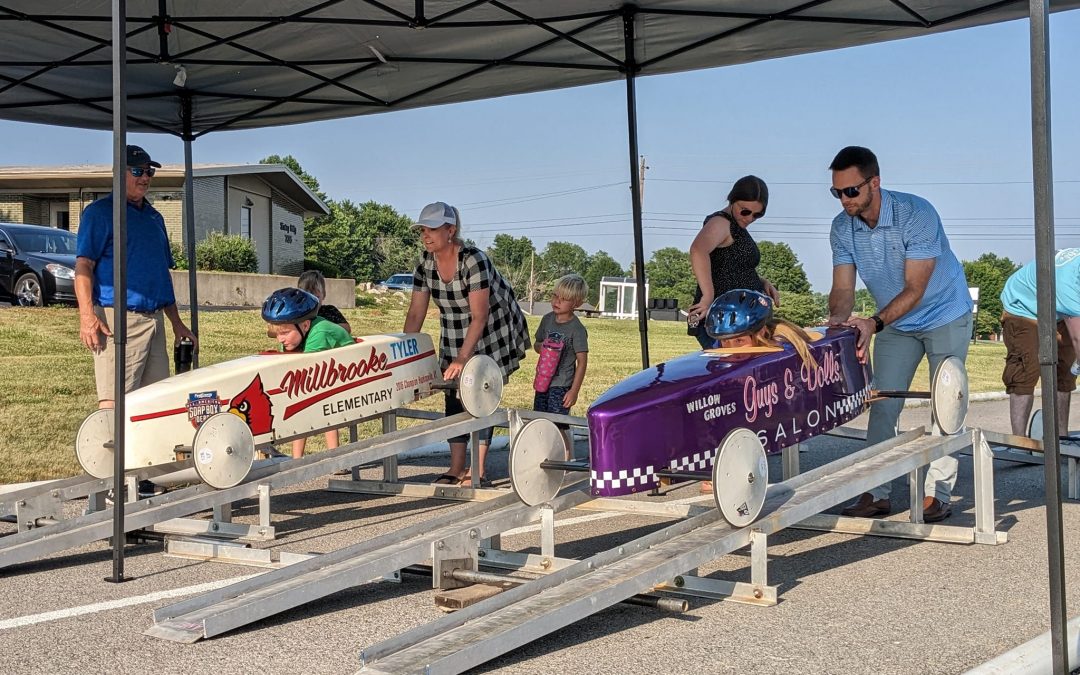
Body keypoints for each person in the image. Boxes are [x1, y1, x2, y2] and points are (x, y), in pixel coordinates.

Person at [826, 146, 973, 523]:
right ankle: (875, 492)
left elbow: (915, 289)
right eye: (837, 192)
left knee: (946, 402)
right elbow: (843, 289)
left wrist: (873, 323)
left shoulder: (917, 213)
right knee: (883, 403)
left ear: (874, 183)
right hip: (898, 324)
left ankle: (937, 493)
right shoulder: (842, 228)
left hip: (944, 314)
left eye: (851, 191)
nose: (844, 200)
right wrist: (835, 326)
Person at [403, 201, 530, 487]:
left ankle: (478, 469)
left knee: (478, 395)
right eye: (423, 229)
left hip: (491, 329)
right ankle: (456, 467)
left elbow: (480, 314)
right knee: (453, 396)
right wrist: (405, 354)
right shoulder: (425, 264)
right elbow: (415, 312)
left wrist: (463, 359)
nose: (426, 235)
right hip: (453, 329)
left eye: (433, 229)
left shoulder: (473, 260)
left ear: (451, 230)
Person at [75, 145, 198, 412]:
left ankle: (145, 456)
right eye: (137, 171)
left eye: (149, 171)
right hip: (119, 320)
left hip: (155, 321)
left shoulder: (155, 218)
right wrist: (87, 316)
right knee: (115, 403)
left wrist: (177, 323)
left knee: (156, 402)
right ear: (119, 173)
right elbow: (84, 266)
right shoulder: (100, 213)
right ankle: (111, 454)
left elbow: (160, 275)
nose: (145, 177)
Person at [700, 288, 818, 493]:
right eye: (725, 341)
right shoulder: (723, 355)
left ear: (761, 334)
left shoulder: (779, 352)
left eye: (739, 341)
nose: (730, 348)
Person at [685, 175, 780, 349]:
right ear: (732, 200)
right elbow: (698, 251)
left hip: (743, 322)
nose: (750, 218)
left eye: (757, 214)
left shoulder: (737, 226)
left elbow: (731, 265)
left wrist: (761, 283)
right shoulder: (721, 222)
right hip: (725, 323)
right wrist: (708, 296)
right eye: (745, 211)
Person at [262, 287, 353, 458]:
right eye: (277, 334)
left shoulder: (320, 331)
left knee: (325, 406)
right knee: (300, 407)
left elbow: (305, 369)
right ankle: (296, 460)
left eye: (285, 333)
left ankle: (335, 456)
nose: (280, 339)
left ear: (305, 325)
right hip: (329, 371)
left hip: (347, 374)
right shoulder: (293, 337)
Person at [999, 250, 1080, 437]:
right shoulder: (1068, 284)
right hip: (1023, 309)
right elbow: (1078, 338)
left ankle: (1061, 436)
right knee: (1027, 368)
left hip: (1057, 309)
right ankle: (1019, 441)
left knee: (1066, 369)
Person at [533, 274, 590, 459]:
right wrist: (541, 347)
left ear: (576, 303)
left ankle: (566, 459)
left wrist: (574, 391)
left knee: (559, 423)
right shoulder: (547, 319)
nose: (556, 301)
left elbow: (582, 362)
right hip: (543, 382)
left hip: (562, 384)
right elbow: (537, 343)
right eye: (555, 296)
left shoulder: (577, 329)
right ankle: (544, 456)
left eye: (563, 299)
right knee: (541, 420)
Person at [298, 269, 352, 334]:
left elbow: (347, 328)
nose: (312, 302)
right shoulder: (298, 313)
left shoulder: (329, 310)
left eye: (316, 297)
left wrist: (326, 327)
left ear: (324, 294)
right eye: (307, 297)